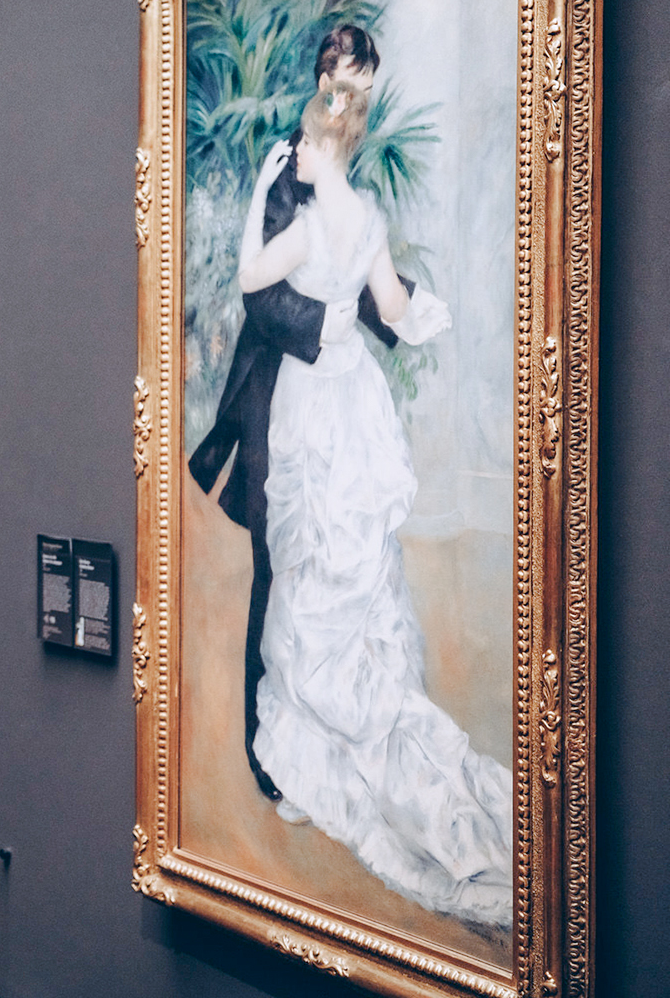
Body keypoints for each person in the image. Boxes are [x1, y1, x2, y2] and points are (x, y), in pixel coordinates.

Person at [237, 81, 513, 927]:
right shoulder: (367, 223)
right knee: (356, 566)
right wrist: (429, 319)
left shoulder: (312, 223)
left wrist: (258, 194)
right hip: (357, 394)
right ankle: (356, 723)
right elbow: (392, 308)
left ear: (325, 146)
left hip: (316, 404)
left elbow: (252, 275)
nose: (300, 153)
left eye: (307, 145)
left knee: (314, 563)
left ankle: (312, 753)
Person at [187, 24, 412, 801]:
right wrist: (333, 328)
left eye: (367, 87)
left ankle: (323, 728)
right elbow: (265, 295)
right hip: (274, 394)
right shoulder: (292, 164)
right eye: (353, 81)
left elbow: (356, 267)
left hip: (330, 395)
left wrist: (395, 312)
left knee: (332, 561)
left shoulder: (341, 160)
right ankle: (266, 744)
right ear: (328, 76)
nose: (360, 98)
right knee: (278, 565)